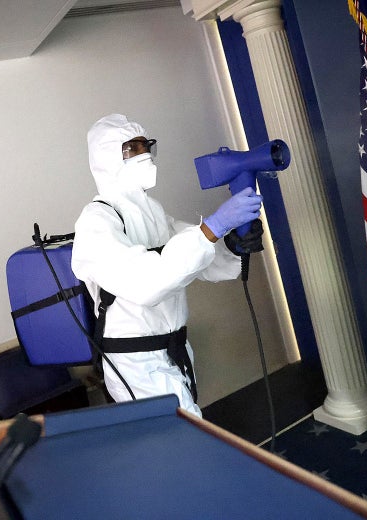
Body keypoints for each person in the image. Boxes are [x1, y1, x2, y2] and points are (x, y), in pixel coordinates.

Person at [71, 114, 263, 417]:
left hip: (171, 350)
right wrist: (214, 226)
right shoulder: (97, 220)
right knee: (186, 444)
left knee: (181, 440)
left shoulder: (153, 210)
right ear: (107, 158)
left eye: (147, 145)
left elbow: (193, 258)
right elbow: (147, 283)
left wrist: (231, 244)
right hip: (136, 362)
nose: (144, 154)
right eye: (132, 148)